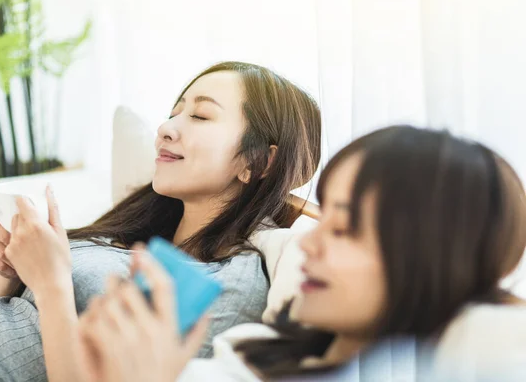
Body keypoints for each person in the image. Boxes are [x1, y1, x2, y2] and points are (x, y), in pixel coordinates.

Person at [0, 61, 322, 382]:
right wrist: (16, 270)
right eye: (174, 111)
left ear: (259, 161)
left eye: (200, 116)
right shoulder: (139, 235)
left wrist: (50, 282)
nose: (166, 128)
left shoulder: (225, 283)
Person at [77, 125, 526, 382]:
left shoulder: (480, 345)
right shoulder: (255, 350)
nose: (308, 239)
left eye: (346, 228)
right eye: (323, 215)